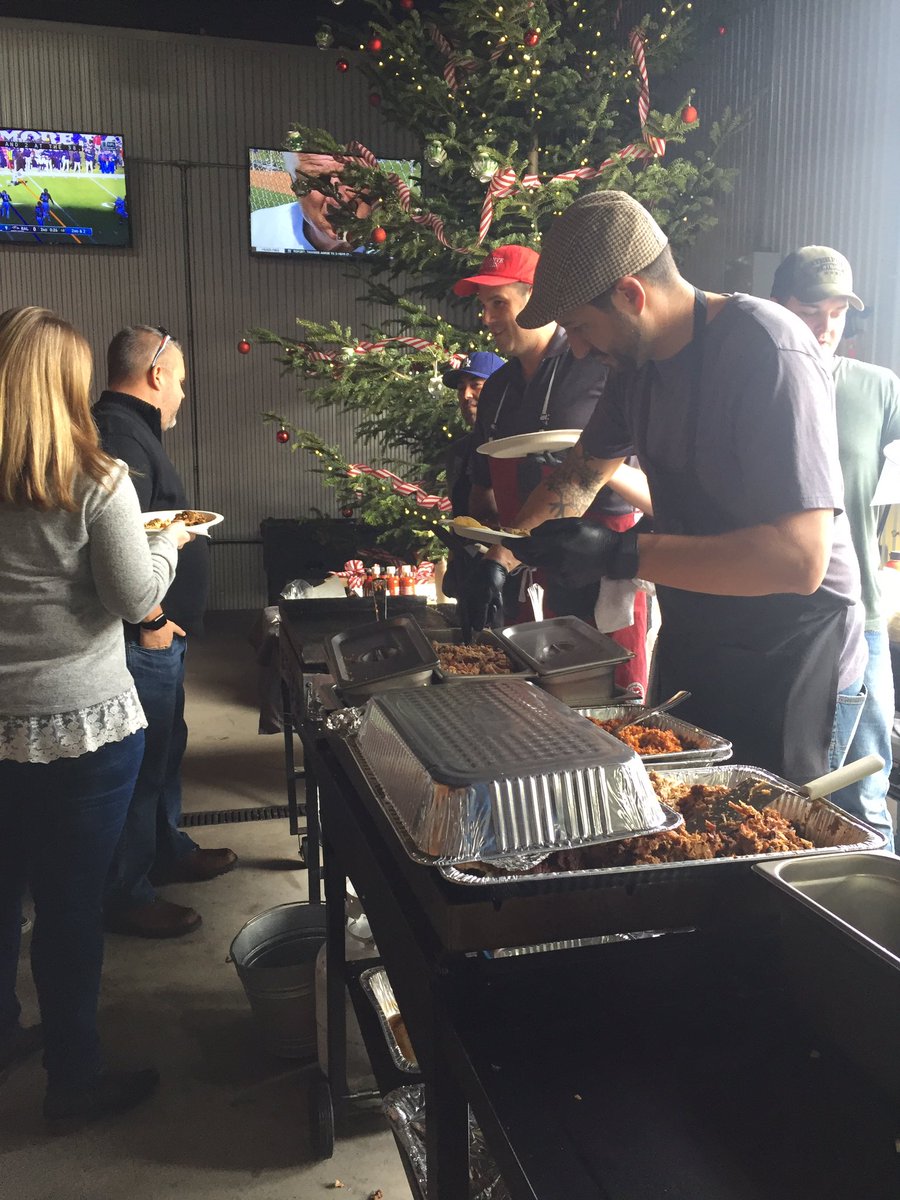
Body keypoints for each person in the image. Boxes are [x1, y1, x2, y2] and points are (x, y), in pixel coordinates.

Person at [500, 190, 867, 784]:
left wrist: (622, 552)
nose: (584, 351)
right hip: (704, 626)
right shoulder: (634, 369)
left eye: (582, 329)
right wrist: (504, 547)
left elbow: (798, 561)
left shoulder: (767, 350)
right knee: (680, 816)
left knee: (768, 850)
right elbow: (581, 473)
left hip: (795, 644)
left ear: (630, 294)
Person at [0, 305, 190, 1129]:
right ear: (69, 386)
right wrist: (170, 542)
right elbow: (135, 597)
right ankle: (74, 1080)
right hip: (81, 727)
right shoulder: (97, 479)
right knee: (71, 911)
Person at [454, 244, 652, 694]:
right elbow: (482, 491)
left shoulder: (597, 366)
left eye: (498, 303)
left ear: (537, 301)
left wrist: (594, 463)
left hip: (604, 560)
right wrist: (492, 557)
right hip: (529, 564)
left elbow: (650, 489)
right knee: (533, 698)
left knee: (610, 699)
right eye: (483, 306)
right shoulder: (497, 389)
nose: (486, 318)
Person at [94, 326, 236, 940]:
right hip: (145, 632)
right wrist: (151, 620)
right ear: (156, 375)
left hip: (159, 632)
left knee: (166, 747)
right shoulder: (121, 436)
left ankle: (166, 850)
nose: (181, 394)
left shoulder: (133, 432)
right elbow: (116, 549)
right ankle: (127, 891)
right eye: (179, 380)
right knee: (143, 761)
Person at [772, 245, 900, 848]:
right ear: (779, 308)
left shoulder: (877, 389)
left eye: (839, 312)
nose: (826, 327)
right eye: (810, 309)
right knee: (784, 790)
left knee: (864, 789)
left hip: (861, 616)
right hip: (774, 617)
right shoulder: (758, 387)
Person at [250, 152, 375, 255]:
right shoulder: (258, 229)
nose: (338, 201)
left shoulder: (392, 246)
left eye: (352, 178)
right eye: (318, 180)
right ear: (294, 185)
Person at [441, 350, 506, 517]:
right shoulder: (458, 452)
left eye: (476, 384)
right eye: (461, 388)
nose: (466, 395)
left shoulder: (517, 446)